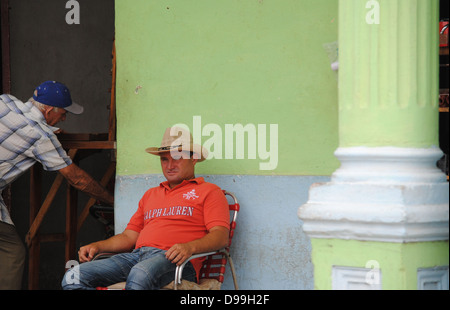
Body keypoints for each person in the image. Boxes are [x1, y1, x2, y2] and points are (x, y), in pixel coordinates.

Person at [62, 127, 230, 290]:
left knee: (140, 274)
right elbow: (129, 236)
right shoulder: (151, 194)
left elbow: (220, 236)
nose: (169, 165)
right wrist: (98, 246)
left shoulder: (209, 192)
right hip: (137, 257)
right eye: (164, 159)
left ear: (193, 159)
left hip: (177, 262)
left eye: (177, 157)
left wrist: (189, 247)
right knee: (73, 276)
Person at [0, 81, 114, 290]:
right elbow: (77, 178)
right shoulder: (41, 137)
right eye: (63, 113)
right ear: (50, 110)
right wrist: (113, 200)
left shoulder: (6, 101)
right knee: (12, 252)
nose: (65, 117)